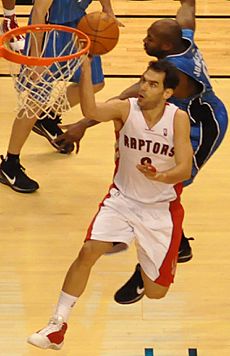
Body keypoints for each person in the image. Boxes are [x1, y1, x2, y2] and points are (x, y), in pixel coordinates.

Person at [54, 0, 228, 302]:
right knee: (149, 181)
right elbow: (186, 15)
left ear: (165, 45)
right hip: (181, 114)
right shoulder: (181, 41)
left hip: (202, 125)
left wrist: (83, 124)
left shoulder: (177, 71)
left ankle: (147, 264)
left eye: (149, 38)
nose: (143, 40)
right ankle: (177, 243)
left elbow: (133, 96)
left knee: (163, 185)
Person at [27, 57, 193, 350]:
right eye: (143, 80)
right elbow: (91, 110)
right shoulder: (125, 109)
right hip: (122, 200)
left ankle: (145, 269)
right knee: (88, 251)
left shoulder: (177, 119)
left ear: (167, 93)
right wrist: (87, 71)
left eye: (152, 84)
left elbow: (184, 169)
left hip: (160, 209)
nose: (143, 87)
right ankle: (57, 325)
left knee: (157, 293)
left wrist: (161, 175)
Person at [0, 0, 122, 193]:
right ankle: (10, 164)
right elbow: (40, 11)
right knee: (35, 101)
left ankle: (47, 117)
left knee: (94, 83)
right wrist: (36, 57)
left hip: (78, 27)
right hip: (46, 31)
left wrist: (107, 9)